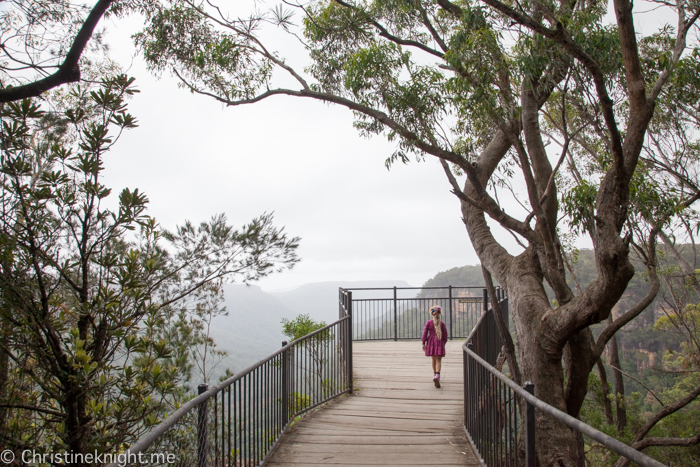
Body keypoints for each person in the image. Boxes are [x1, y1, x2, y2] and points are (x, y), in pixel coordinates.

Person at [422, 305, 448, 388]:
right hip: (439, 342)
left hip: (431, 343)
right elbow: (445, 335)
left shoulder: (429, 323)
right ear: (440, 313)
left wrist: (423, 343)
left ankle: (435, 375)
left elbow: (425, 333)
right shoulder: (442, 324)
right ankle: (437, 375)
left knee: (433, 359)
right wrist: (443, 343)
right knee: (438, 360)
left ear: (432, 314)